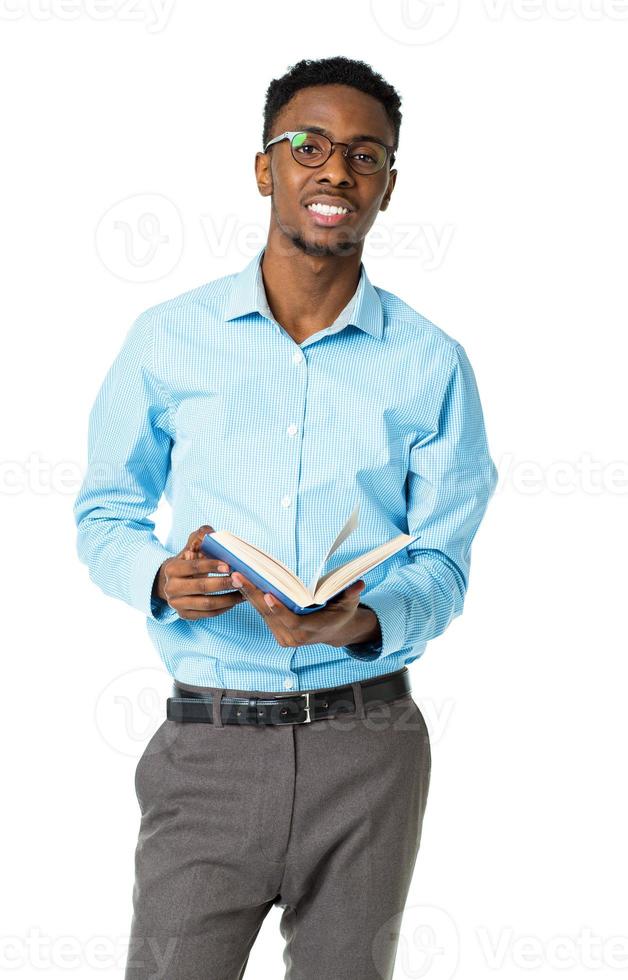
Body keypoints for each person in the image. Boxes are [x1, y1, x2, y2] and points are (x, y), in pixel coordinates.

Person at [73, 55, 498, 980]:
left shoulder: (432, 364)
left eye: (364, 155)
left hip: (369, 750)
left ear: (388, 184)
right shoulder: (167, 338)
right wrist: (157, 577)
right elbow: (106, 509)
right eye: (308, 146)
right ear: (264, 168)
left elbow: (445, 563)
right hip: (209, 745)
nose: (335, 172)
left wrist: (366, 620)